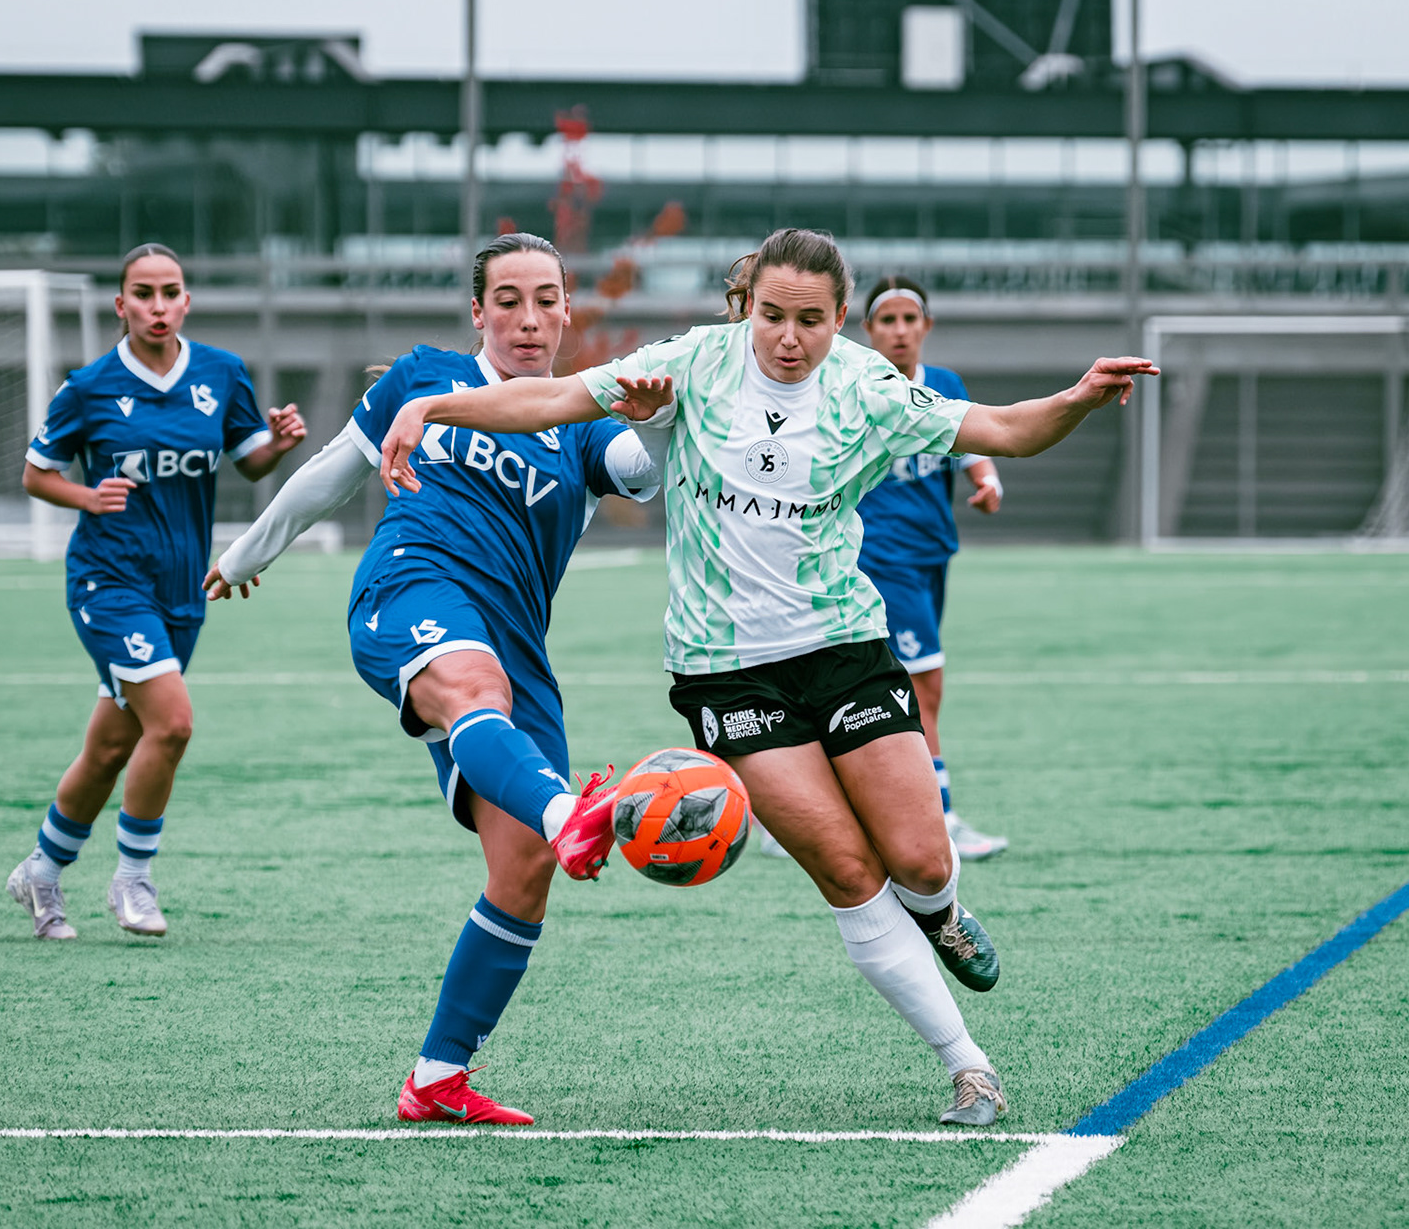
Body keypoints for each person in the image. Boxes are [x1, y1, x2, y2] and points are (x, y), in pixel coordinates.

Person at [378, 227, 1154, 1127]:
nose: (789, 337)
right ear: (748, 308)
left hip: (842, 649)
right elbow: (550, 399)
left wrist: (1081, 398)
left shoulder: (868, 386)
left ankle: (940, 911)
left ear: (839, 319)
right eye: (773, 316)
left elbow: (1008, 432)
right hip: (725, 675)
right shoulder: (697, 362)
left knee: (919, 857)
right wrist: (436, 409)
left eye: (811, 320)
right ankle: (968, 1065)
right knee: (845, 866)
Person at [203, 232, 663, 1127]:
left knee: (522, 871)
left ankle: (437, 1077)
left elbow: (643, 476)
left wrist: (654, 414)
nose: (529, 320)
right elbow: (332, 473)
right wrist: (248, 549)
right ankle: (572, 812)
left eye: (546, 300)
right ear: (479, 311)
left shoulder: (581, 413)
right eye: (508, 301)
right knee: (474, 696)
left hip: (518, 644)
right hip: (411, 586)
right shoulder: (425, 375)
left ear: (570, 310)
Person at [6, 243, 306, 941]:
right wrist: (88, 494)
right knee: (171, 723)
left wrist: (280, 444)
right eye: (143, 293)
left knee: (113, 747)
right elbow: (35, 473)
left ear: (187, 301)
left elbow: (249, 461)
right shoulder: (89, 387)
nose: (158, 305)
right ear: (122, 306)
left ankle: (41, 871)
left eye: (170, 291)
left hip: (183, 588)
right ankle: (133, 879)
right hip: (108, 580)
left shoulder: (221, 374)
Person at [856, 274, 1008, 861]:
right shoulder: (858, 387)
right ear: (867, 330)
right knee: (924, 688)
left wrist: (988, 480)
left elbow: (971, 444)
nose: (899, 331)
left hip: (932, 553)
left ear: (926, 327)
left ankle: (794, 812)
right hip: (881, 557)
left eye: (908, 320)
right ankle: (938, 821)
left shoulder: (944, 385)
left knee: (889, 686)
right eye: (887, 321)